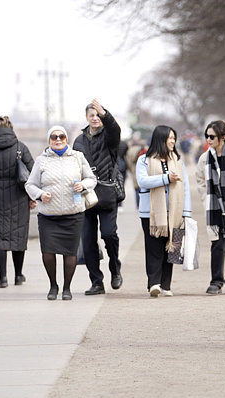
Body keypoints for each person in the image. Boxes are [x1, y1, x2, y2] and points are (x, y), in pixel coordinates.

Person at [25, 126, 97, 301]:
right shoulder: (41, 161)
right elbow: (30, 185)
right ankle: (53, 285)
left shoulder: (78, 158)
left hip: (73, 214)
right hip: (48, 215)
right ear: (49, 140)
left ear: (66, 139)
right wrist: (40, 195)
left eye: (62, 136)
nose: (58, 140)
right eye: (54, 137)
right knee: (48, 252)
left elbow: (91, 178)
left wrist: (83, 185)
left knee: (70, 253)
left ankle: (66, 288)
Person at [72, 98, 123, 296]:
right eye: (91, 115)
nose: (95, 118)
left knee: (109, 234)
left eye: (98, 115)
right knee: (88, 241)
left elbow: (115, 130)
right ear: (86, 118)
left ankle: (115, 268)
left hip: (106, 193)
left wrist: (105, 114)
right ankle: (96, 281)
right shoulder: (78, 141)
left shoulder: (109, 137)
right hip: (85, 195)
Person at [136, 125, 192, 298]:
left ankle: (166, 285)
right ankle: (154, 283)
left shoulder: (177, 160)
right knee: (154, 248)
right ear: (160, 139)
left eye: (174, 138)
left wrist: (186, 212)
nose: (173, 141)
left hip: (174, 212)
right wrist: (165, 178)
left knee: (171, 248)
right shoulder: (144, 160)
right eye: (169, 138)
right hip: (151, 213)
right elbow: (142, 181)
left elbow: (186, 187)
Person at [0, 116, 36, 288]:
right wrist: (32, 196)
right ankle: (18, 275)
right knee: (17, 235)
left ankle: (2, 278)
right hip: (18, 194)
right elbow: (33, 173)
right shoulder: (20, 147)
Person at [194, 120, 225, 295]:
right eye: (206, 136)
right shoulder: (204, 158)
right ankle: (216, 281)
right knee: (217, 245)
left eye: (212, 136)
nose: (208, 139)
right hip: (214, 207)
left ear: (223, 137)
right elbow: (199, 180)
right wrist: (205, 197)